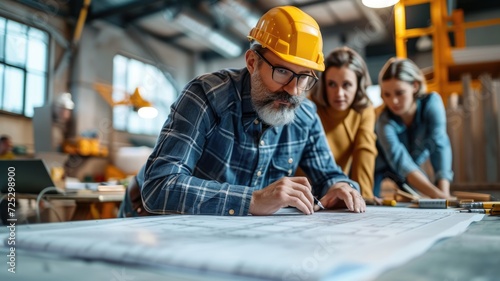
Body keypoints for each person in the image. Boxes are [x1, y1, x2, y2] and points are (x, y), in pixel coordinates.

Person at [120, 6, 365, 217]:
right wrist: (252, 200)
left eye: (304, 77)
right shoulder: (207, 95)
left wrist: (340, 186)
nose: (292, 89)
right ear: (252, 62)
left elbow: (328, 175)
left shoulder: (306, 116)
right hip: (146, 221)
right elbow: (160, 185)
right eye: (281, 71)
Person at [374, 57, 454, 199]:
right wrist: (437, 195)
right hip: (381, 166)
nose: (394, 101)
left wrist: (444, 193)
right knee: (369, 202)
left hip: (410, 168)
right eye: (387, 95)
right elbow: (401, 161)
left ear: (415, 86)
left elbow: (440, 145)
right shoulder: (384, 121)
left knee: (420, 200)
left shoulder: (432, 103)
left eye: (399, 92)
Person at [308, 47, 378, 201]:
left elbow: (364, 151)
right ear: (323, 85)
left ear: (358, 85)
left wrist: (364, 197)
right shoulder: (309, 107)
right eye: (332, 84)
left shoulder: (364, 110)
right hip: (303, 193)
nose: (339, 93)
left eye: (346, 85)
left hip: (337, 190)